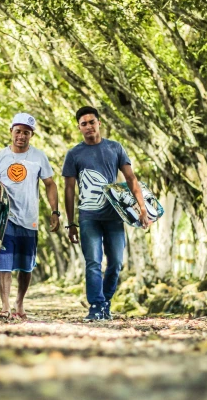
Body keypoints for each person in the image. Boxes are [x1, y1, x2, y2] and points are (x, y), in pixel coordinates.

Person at [62, 106, 152, 321]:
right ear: (79, 128)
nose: (88, 126)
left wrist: (142, 209)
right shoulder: (74, 154)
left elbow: (131, 179)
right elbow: (68, 189)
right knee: (93, 261)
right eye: (83, 124)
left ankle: (106, 302)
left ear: (99, 123)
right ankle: (96, 306)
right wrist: (71, 223)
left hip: (114, 216)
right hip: (88, 217)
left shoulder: (115, 148)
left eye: (92, 122)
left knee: (116, 263)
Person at [0, 113, 60, 319]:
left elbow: (50, 184)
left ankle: (19, 303)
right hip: (4, 220)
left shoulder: (39, 157)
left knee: (26, 266)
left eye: (26, 132)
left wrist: (55, 212)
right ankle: (6, 306)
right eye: (18, 131)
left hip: (30, 219)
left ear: (31, 135)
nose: (21, 136)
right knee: (4, 263)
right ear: (11, 132)